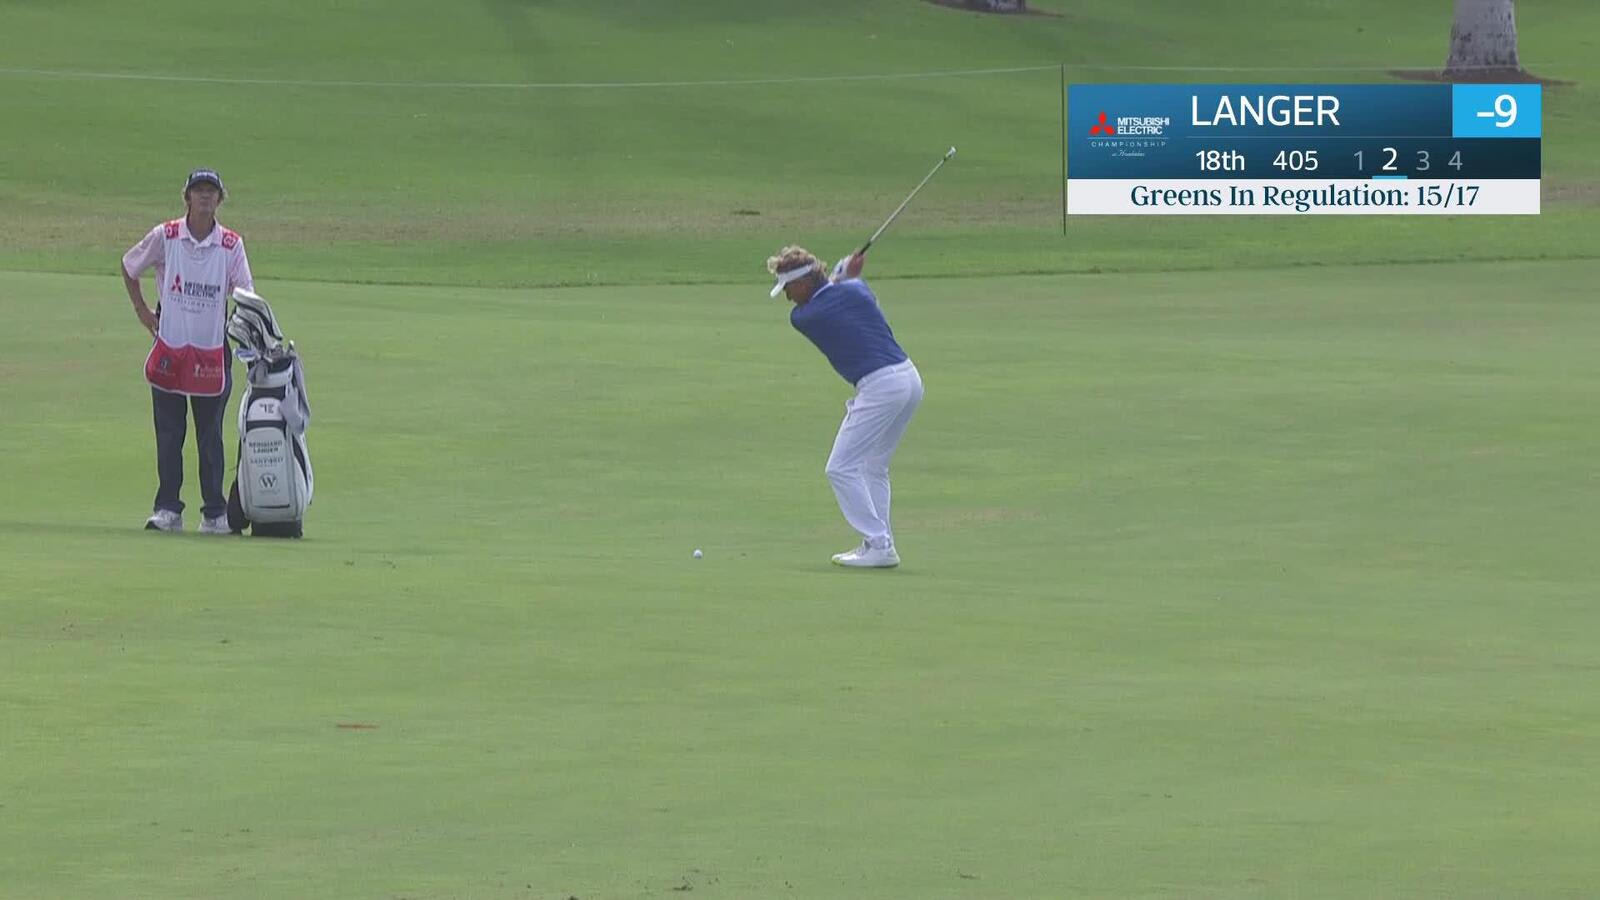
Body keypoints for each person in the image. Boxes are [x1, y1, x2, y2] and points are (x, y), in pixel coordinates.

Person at [767, 245, 924, 568]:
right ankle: (881, 544)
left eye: (788, 288)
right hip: (909, 379)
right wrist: (846, 276)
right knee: (873, 466)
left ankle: (879, 543)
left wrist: (842, 275)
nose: (787, 297)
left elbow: (830, 294)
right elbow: (845, 289)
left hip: (881, 386)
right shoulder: (857, 289)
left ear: (804, 283)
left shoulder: (805, 316)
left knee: (840, 467)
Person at [121, 169, 255, 533]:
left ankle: (214, 512)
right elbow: (130, 265)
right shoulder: (166, 236)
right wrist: (142, 311)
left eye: (212, 191)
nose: (205, 197)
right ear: (188, 198)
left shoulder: (230, 245)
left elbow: (244, 293)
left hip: (211, 350)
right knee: (169, 432)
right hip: (171, 348)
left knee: (210, 434)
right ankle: (168, 509)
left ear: (220, 199)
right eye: (199, 191)